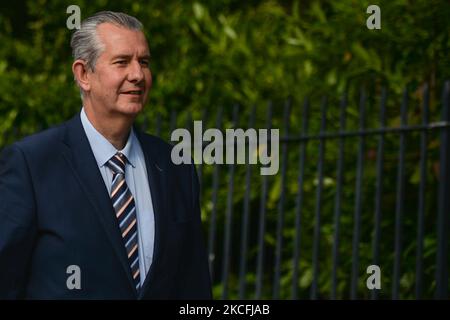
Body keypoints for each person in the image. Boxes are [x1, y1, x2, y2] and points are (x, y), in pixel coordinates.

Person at [0, 11, 212, 299]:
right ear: (84, 74)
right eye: (122, 62)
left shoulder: (175, 167)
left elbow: (194, 286)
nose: (138, 75)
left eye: (144, 62)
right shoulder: (31, 164)